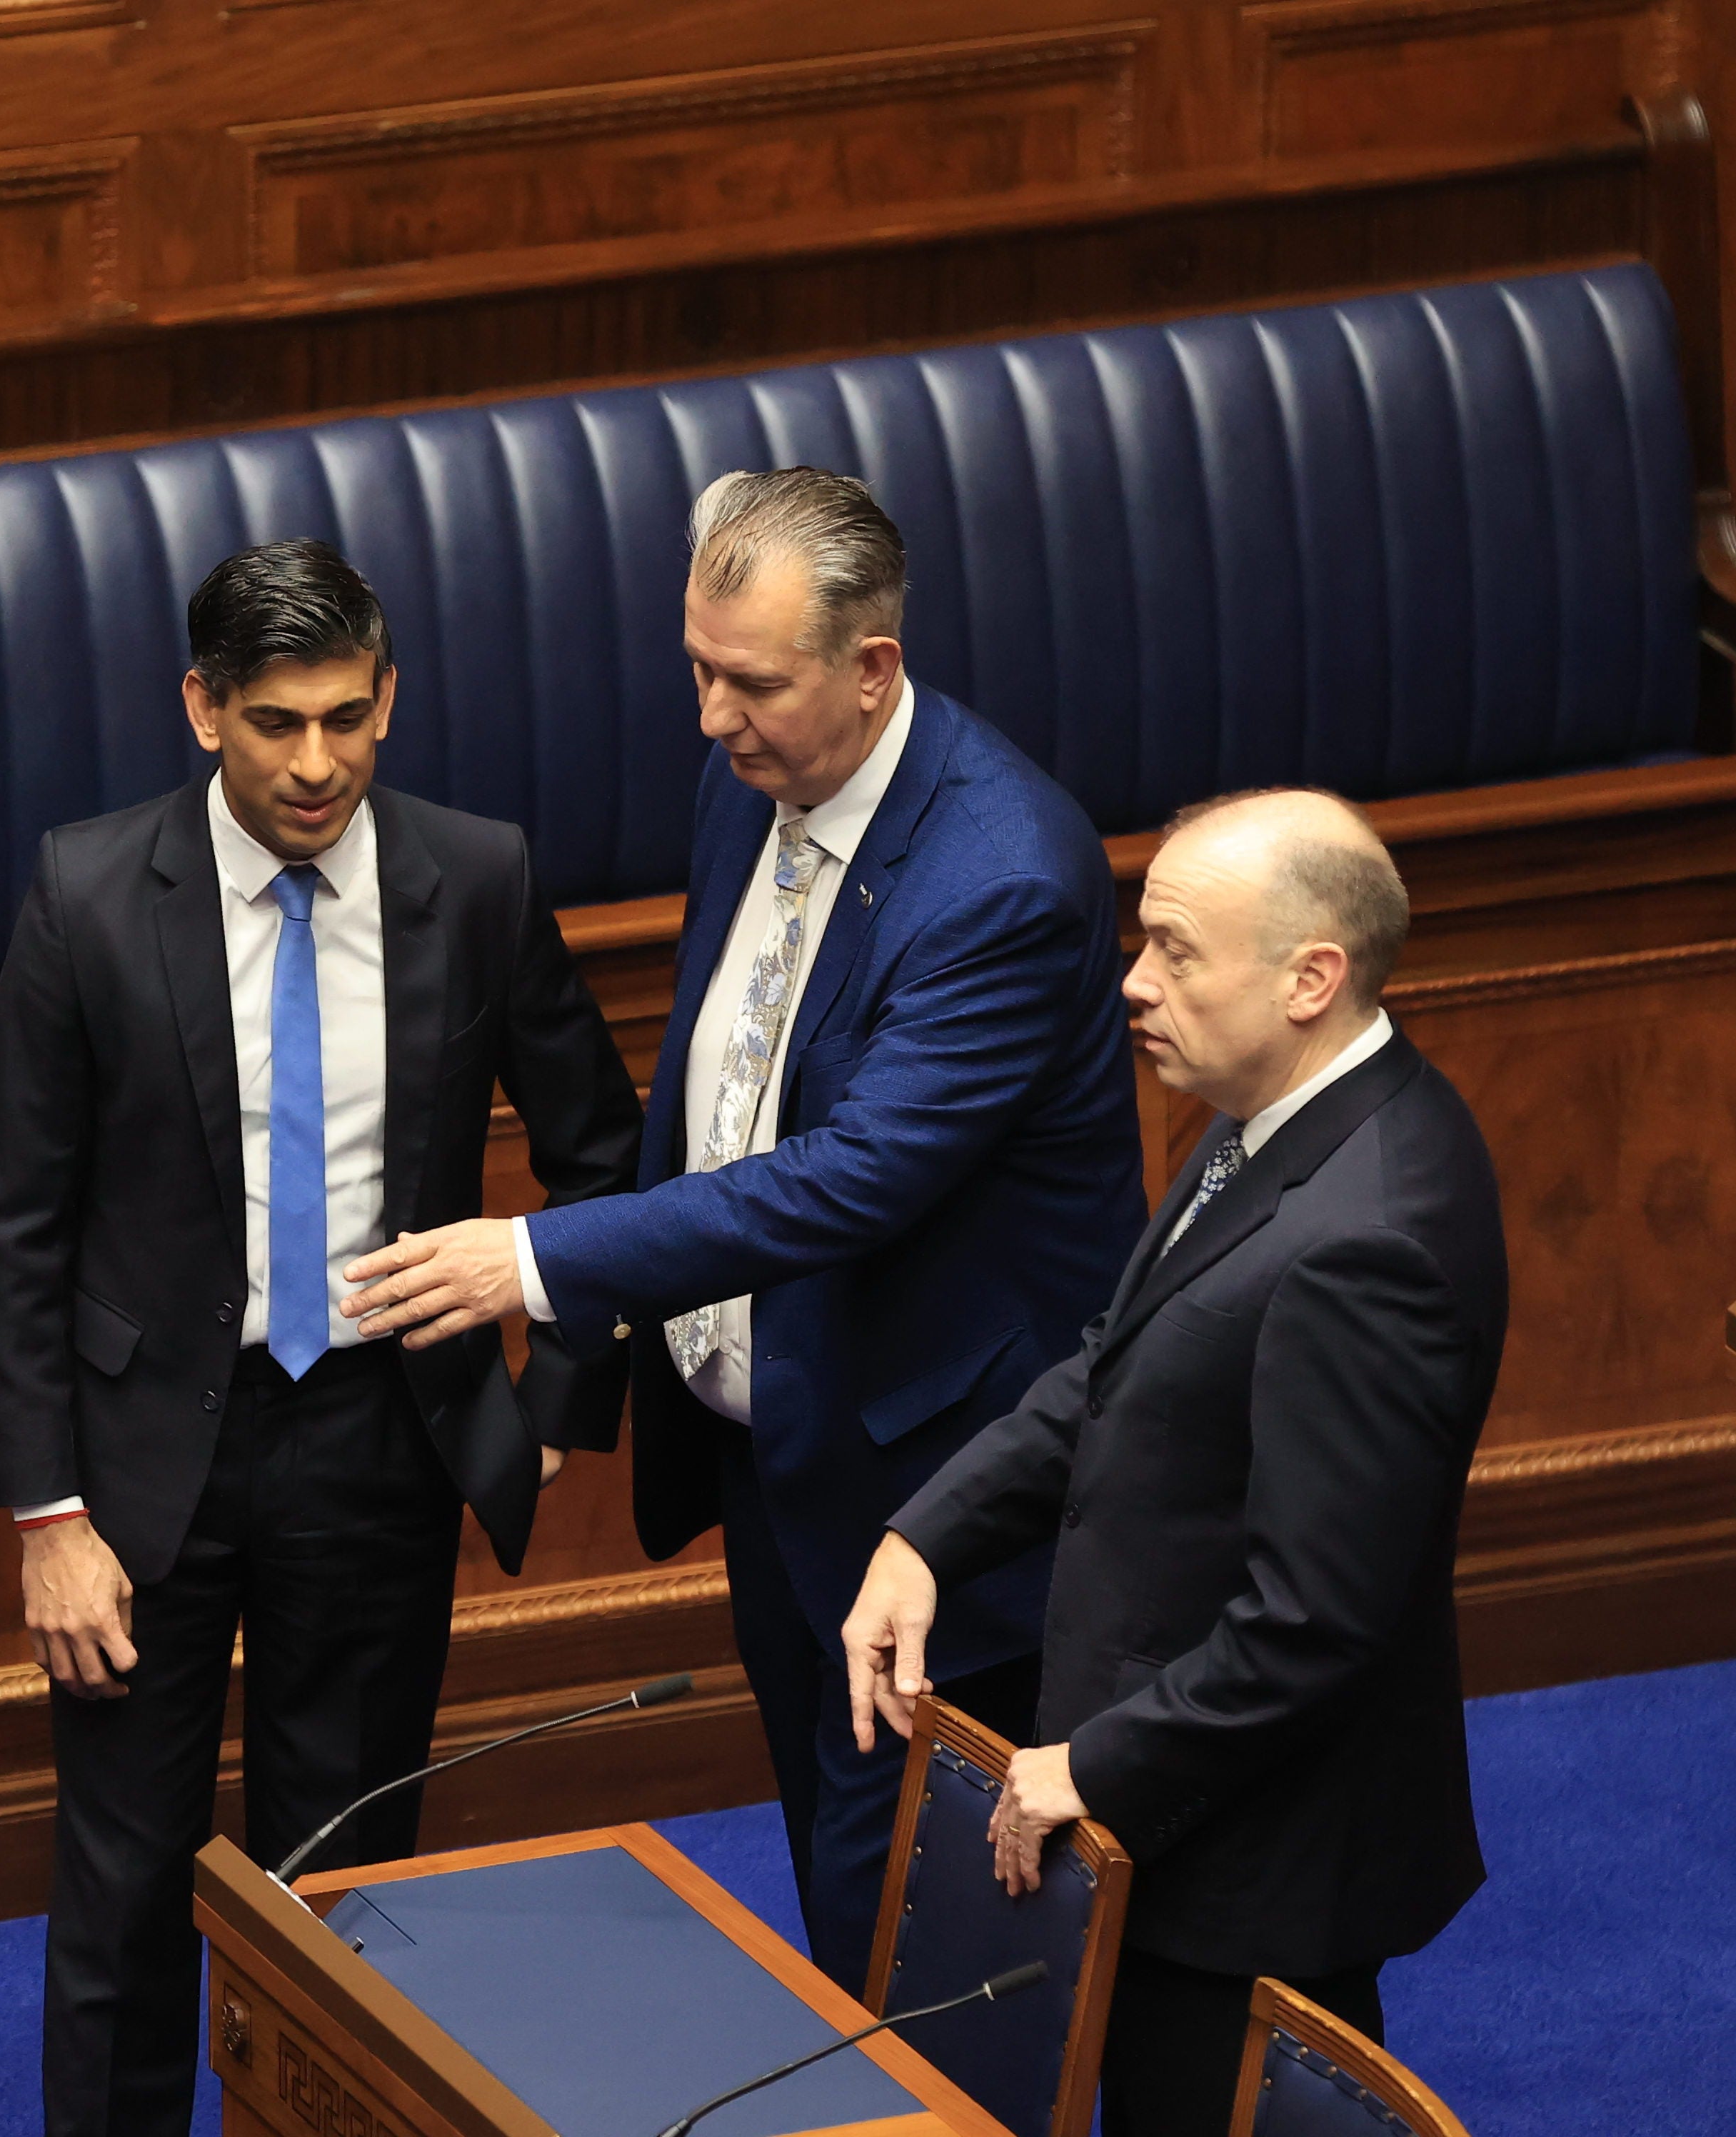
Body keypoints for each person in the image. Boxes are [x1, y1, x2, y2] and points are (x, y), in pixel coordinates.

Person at [339, 468, 1145, 1989]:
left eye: (749, 682)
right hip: (784, 1447)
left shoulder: (1003, 882)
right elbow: (718, 1079)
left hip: (938, 1479)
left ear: (872, 669)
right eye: (696, 669)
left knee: (920, 1930)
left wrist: (533, 1262)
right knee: (838, 1880)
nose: (709, 716)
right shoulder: (755, 772)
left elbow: (850, 1176)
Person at [0, 538, 644, 2137]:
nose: (318, 762)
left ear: (390, 696)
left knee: (343, 1882)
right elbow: (18, 1235)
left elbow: (601, 1155)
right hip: (143, 1471)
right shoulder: (86, 891)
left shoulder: (474, 878)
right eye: (276, 721)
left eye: (350, 715)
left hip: (373, 1442)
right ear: (202, 708)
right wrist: (47, 1517)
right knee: (124, 1884)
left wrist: (551, 1389)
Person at [839, 787, 1507, 2137]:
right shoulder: (1275, 1113)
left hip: (1249, 1861)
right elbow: (1121, 1364)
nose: (1135, 985)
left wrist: (1091, 1767)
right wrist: (929, 1533)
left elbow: (1315, 1620)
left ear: (1310, 977)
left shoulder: (1366, 1239)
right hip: (1189, 1816)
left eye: (1177, 953)